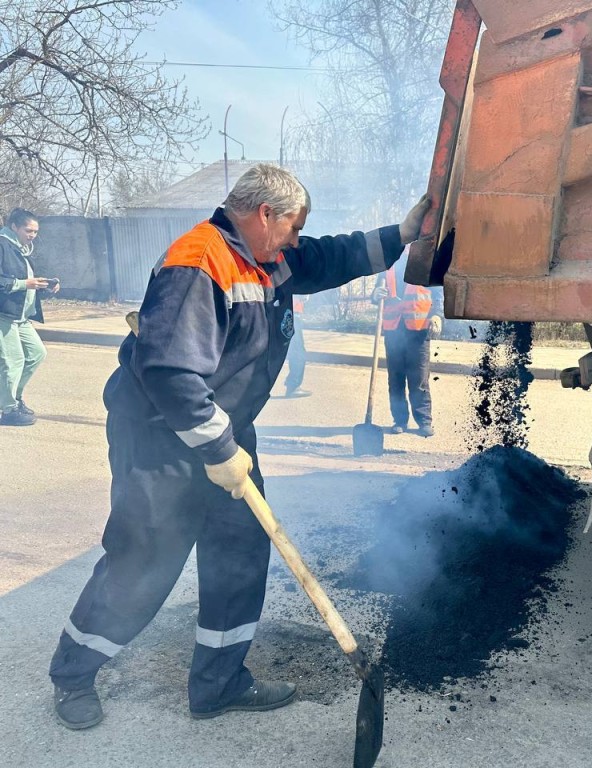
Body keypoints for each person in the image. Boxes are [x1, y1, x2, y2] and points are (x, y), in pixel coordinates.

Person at [48, 164, 430, 730]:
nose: (298, 240)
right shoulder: (199, 261)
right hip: (162, 435)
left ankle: (219, 683)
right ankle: (73, 674)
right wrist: (219, 449)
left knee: (240, 551)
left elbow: (325, 258)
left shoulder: (266, 255)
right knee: (146, 556)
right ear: (264, 214)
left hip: (221, 430)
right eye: (293, 227)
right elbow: (169, 371)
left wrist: (399, 235)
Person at [371, 251, 443, 437]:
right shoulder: (388, 263)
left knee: (418, 378)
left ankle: (424, 421)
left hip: (418, 329)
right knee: (395, 378)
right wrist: (375, 295)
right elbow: (377, 291)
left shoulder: (425, 262)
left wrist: (437, 315)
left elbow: (437, 292)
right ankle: (400, 420)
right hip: (394, 329)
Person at [0, 208, 59, 427]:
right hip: (4, 315)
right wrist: (24, 284)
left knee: (36, 354)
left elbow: (25, 283)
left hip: (20, 317)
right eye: (29, 230)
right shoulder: (3, 245)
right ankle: (8, 410)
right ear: (14, 226)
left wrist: (44, 286)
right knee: (13, 361)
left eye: (35, 231)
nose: (33, 235)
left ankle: (13, 397)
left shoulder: (19, 249)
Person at [283, 294, 310, 397]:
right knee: (298, 350)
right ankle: (293, 386)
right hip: (293, 312)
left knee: (293, 349)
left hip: (285, 310)